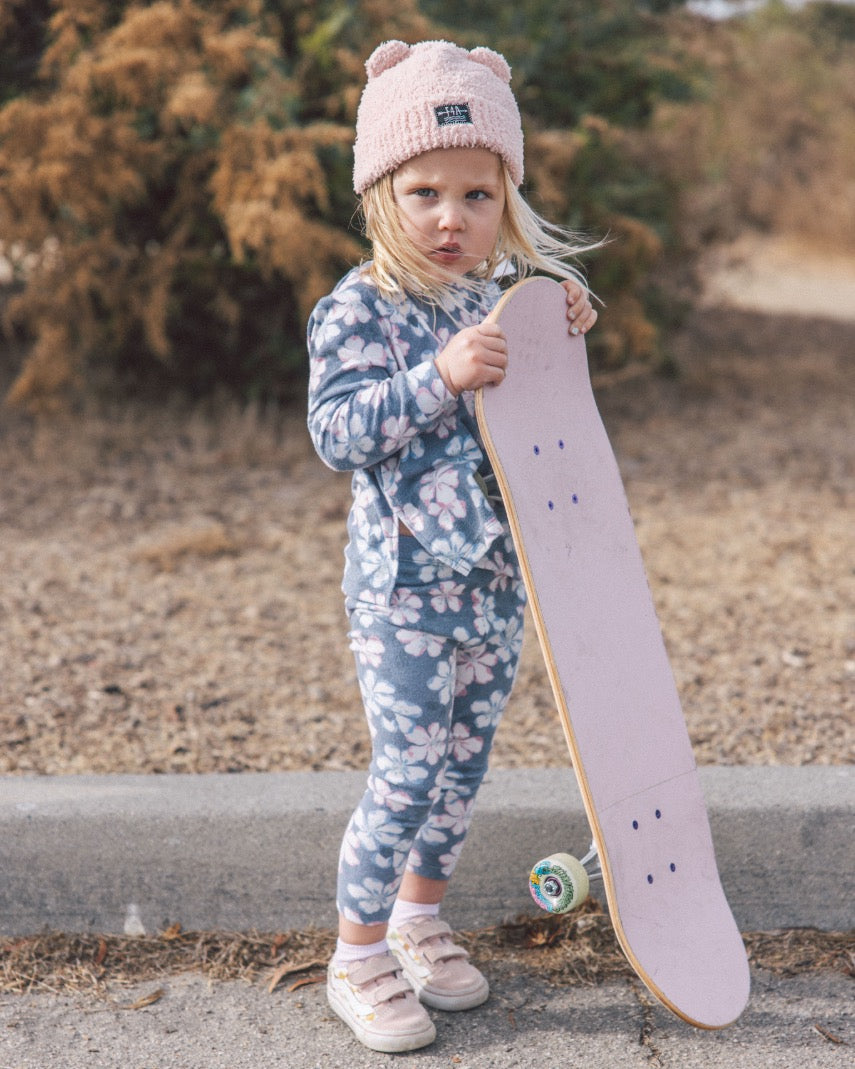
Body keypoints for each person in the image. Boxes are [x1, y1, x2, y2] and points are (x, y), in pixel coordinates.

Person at [306, 39, 599, 1053]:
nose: (450, 218)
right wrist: (438, 375)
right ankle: (356, 955)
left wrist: (564, 313)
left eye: (477, 195)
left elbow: (545, 403)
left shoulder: (501, 292)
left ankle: (419, 919)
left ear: (505, 198)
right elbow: (337, 432)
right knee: (406, 772)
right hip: (404, 596)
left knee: (462, 769)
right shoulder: (359, 307)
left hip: (497, 585)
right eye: (424, 191)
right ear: (380, 192)